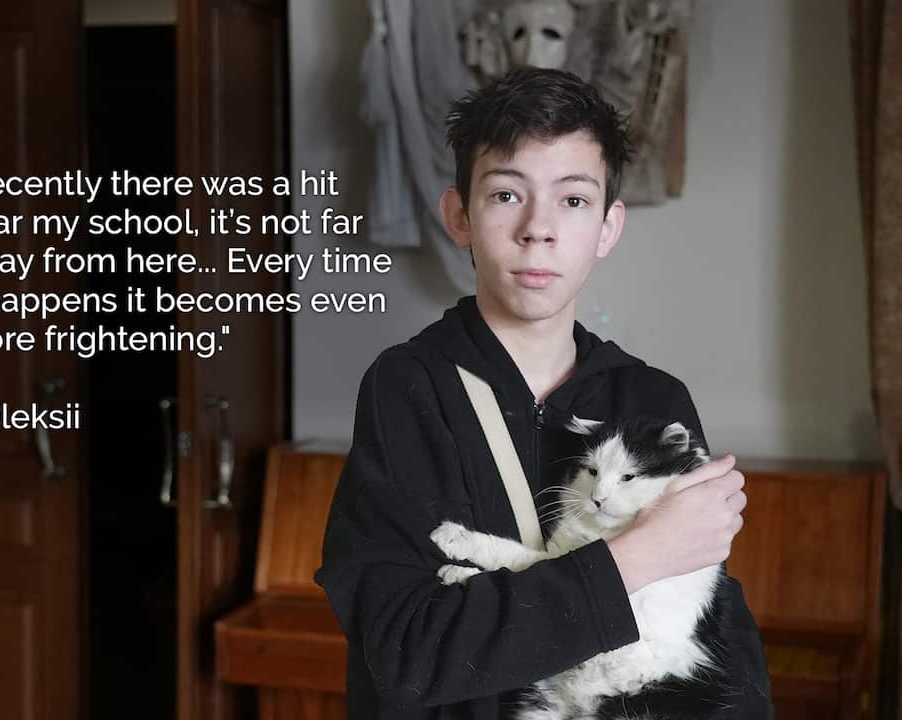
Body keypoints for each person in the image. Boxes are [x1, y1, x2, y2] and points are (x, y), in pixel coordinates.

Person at [314, 66, 772, 719]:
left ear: (609, 226)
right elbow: (406, 651)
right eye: (506, 195)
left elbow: (714, 632)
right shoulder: (407, 387)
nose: (539, 228)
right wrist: (636, 556)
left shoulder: (654, 400)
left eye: (574, 199)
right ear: (459, 215)